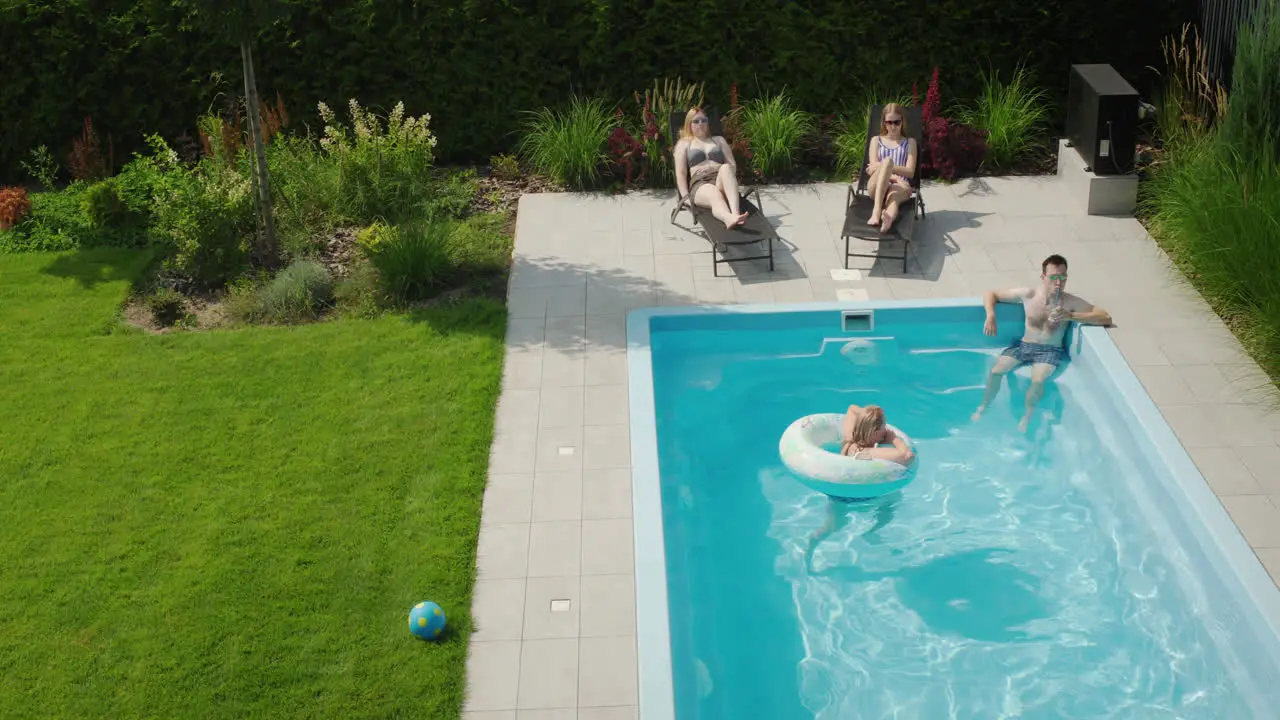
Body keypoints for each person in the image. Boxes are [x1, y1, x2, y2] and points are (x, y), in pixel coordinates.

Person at [972, 254, 1113, 432]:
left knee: (1037, 381)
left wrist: (1071, 316)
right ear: (1043, 277)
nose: (1058, 283)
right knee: (996, 371)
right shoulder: (1028, 295)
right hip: (1023, 345)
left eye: (1063, 278)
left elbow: (1105, 317)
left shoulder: (1069, 302)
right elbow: (990, 294)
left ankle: (1027, 417)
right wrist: (991, 315)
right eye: (1054, 277)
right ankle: (985, 406)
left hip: (1050, 350)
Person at [673, 107, 750, 230]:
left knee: (725, 167)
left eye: (703, 120)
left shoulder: (719, 140)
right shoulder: (684, 143)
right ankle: (727, 218)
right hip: (700, 183)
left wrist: (718, 167)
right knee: (714, 193)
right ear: (689, 124)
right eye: (696, 121)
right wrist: (685, 197)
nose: (700, 124)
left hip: (721, 179)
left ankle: (735, 214)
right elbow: (681, 174)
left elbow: (732, 165)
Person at [866, 103, 918, 234]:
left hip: (898, 189)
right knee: (888, 161)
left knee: (893, 198)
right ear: (884, 123)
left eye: (897, 122)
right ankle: (876, 211)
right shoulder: (875, 141)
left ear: (902, 122)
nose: (893, 126)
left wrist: (884, 166)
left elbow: (910, 172)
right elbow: (872, 170)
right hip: (877, 186)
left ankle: (888, 218)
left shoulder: (910, 143)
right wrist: (895, 177)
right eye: (889, 122)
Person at [841, 403, 915, 465]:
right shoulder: (865, 452)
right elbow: (908, 456)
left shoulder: (849, 439)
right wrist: (894, 438)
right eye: (884, 427)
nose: (886, 430)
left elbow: (852, 408)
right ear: (876, 433)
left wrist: (867, 417)